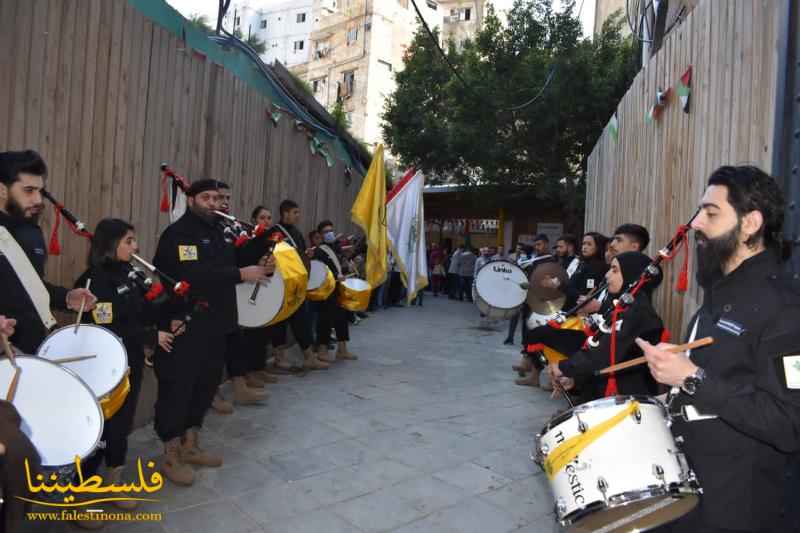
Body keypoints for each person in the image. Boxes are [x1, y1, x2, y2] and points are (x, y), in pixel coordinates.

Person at [637, 166, 800, 533]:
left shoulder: (786, 308)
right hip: (688, 495)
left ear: (750, 223)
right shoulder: (718, 295)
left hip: (736, 511)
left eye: (711, 213)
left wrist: (692, 378)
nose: (695, 224)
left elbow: (789, 423)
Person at [152, 179, 270, 486]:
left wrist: (258, 262)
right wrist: (241, 273)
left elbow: (230, 265)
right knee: (178, 388)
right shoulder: (179, 234)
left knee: (204, 386)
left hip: (217, 323)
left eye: (217, 198)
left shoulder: (218, 232)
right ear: (191, 199)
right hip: (186, 323)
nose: (213, 203)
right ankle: (171, 453)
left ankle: (191, 444)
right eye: (206, 197)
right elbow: (191, 276)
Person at [74, 219, 177, 527]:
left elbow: (146, 311)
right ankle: (81, 493)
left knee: (122, 420)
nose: (136, 247)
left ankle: (115, 477)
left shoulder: (130, 274)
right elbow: (109, 325)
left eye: (134, 241)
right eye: (129, 241)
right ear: (110, 244)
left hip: (128, 362)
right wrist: (149, 337)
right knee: (96, 426)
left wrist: (164, 297)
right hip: (101, 366)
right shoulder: (93, 280)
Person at [0, 150, 97, 353]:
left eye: (40, 191)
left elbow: (28, 285)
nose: (38, 200)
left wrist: (67, 298)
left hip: (30, 354)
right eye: (29, 190)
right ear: (2, 190)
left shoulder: (31, 232)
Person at [549, 251, 663, 401]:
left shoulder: (638, 312)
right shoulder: (625, 308)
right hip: (607, 390)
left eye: (615, 270)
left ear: (633, 276)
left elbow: (603, 354)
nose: (608, 275)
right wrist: (575, 380)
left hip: (628, 400)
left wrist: (564, 367)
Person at [267, 199, 328, 371]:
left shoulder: (297, 232)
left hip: (297, 285)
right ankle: (279, 357)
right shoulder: (276, 232)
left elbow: (298, 254)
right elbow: (274, 253)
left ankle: (309, 357)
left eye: (298, 212)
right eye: (295, 212)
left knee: (302, 320)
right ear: (285, 213)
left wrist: (306, 255)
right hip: (282, 284)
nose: (298, 216)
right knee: (279, 322)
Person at [314, 219, 358, 363]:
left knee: (341, 318)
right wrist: (335, 275)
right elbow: (320, 271)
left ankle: (342, 349)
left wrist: (347, 269)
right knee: (325, 320)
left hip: (338, 289)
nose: (330, 233)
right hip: (326, 290)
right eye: (326, 232)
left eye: (331, 230)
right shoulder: (319, 251)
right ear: (320, 235)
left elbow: (339, 267)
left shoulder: (335, 248)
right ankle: (322, 350)